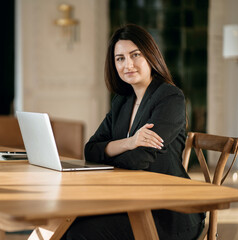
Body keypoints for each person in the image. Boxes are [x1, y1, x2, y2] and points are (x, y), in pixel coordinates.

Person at [61, 24, 205, 239]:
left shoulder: (170, 98)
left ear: (150, 56)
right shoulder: (122, 101)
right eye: (120, 58)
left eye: (135, 55)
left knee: (79, 233)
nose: (127, 64)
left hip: (169, 212)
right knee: (66, 222)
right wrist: (129, 142)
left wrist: (110, 153)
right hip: (131, 202)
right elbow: (90, 150)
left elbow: (139, 160)